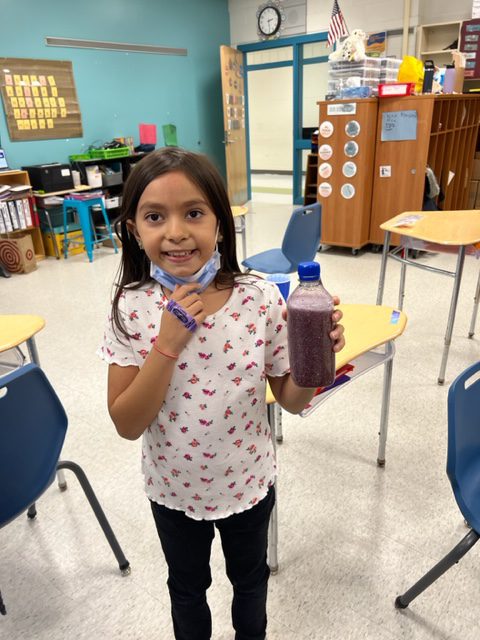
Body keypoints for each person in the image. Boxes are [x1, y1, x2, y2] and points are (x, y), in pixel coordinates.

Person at [98, 147, 345, 640]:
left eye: (193, 212)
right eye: (154, 216)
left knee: (250, 584)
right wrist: (167, 343)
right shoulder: (132, 306)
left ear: (220, 222)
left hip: (248, 484)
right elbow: (127, 424)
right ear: (133, 229)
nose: (175, 232)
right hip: (173, 490)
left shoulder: (257, 297)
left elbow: (292, 401)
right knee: (187, 590)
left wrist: (321, 358)